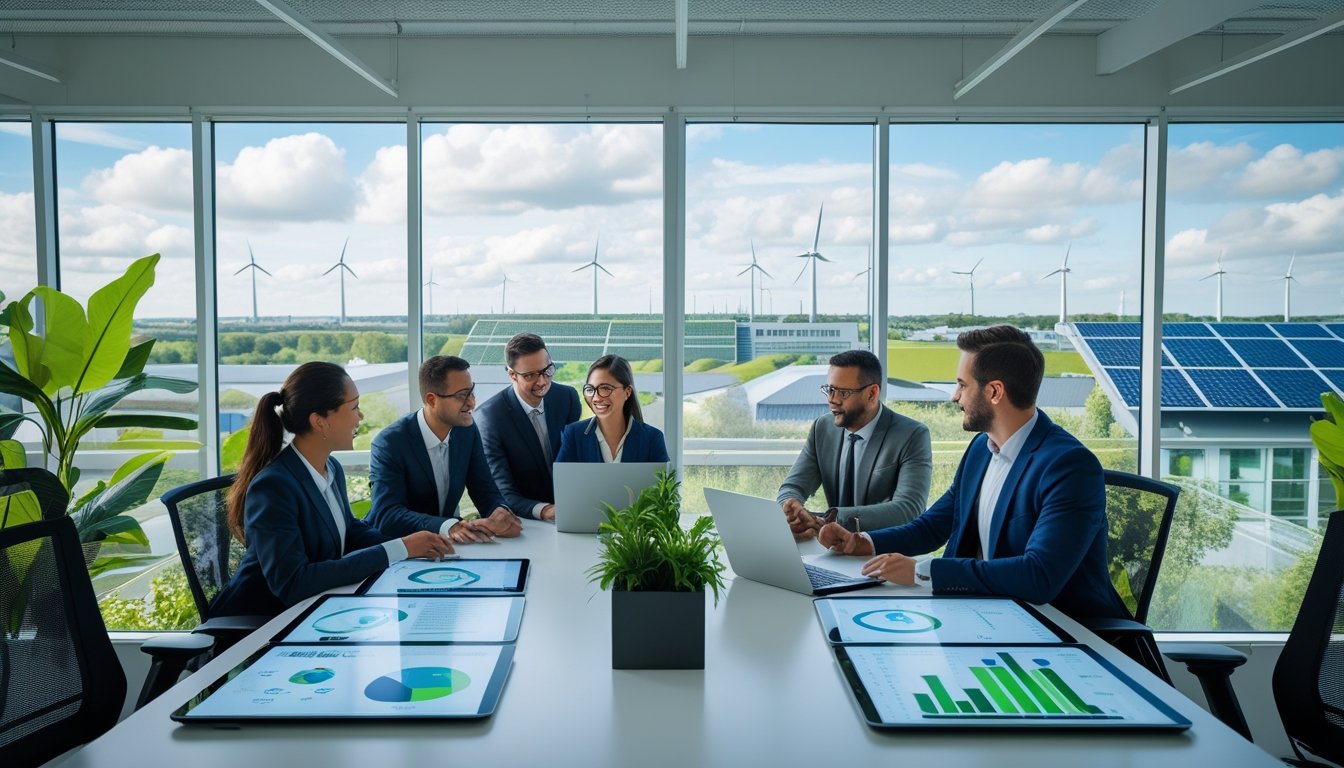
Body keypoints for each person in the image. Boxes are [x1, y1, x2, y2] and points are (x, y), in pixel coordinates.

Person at [818, 326, 1129, 622]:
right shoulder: (982, 449)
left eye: (962, 385)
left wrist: (922, 571)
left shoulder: (1069, 466)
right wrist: (864, 543)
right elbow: (933, 526)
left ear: (994, 391)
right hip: (985, 613)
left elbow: (1038, 576)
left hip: (1059, 629)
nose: (955, 396)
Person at [211, 362, 453, 618]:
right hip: (259, 626)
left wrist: (415, 546)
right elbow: (293, 583)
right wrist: (398, 549)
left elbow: (350, 531)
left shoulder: (331, 468)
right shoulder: (273, 487)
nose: (360, 416)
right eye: (354, 407)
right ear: (320, 422)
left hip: (317, 610)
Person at [367, 355, 522, 542]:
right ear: (432, 400)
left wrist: (500, 513)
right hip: (401, 551)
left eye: (471, 392)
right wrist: (449, 526)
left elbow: (484, 489)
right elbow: (387, 515)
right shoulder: (389, 443)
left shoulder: (467, 430)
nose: (472, 402)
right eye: (461, 396)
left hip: (448, 549)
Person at [776, 349, 932, 534]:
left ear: (872, 393)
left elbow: (908, 509)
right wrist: (791, 506)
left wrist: (832, 518)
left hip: (883, 554)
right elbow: (792, 486)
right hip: (832, 550)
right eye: (830, 389)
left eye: (843, 392)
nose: (832, 400)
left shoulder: (912, 434)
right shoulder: (822, 428)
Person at [476, 333, 582, 522]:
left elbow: (576, 461)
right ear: (512, 375)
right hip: (526, 520)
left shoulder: (567, 398)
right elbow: (503, 491)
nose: (542, 381)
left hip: (574, 508)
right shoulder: (490, 418)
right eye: (530, 375)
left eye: (546, 370)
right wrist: (545, 510)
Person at [556, 354, 669, 463]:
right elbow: (562, 480)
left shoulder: (652, 438)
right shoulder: (573, 435)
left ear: (627, 392)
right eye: (590, 389)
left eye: (605, 388)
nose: (596, 398)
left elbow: (666, 482)